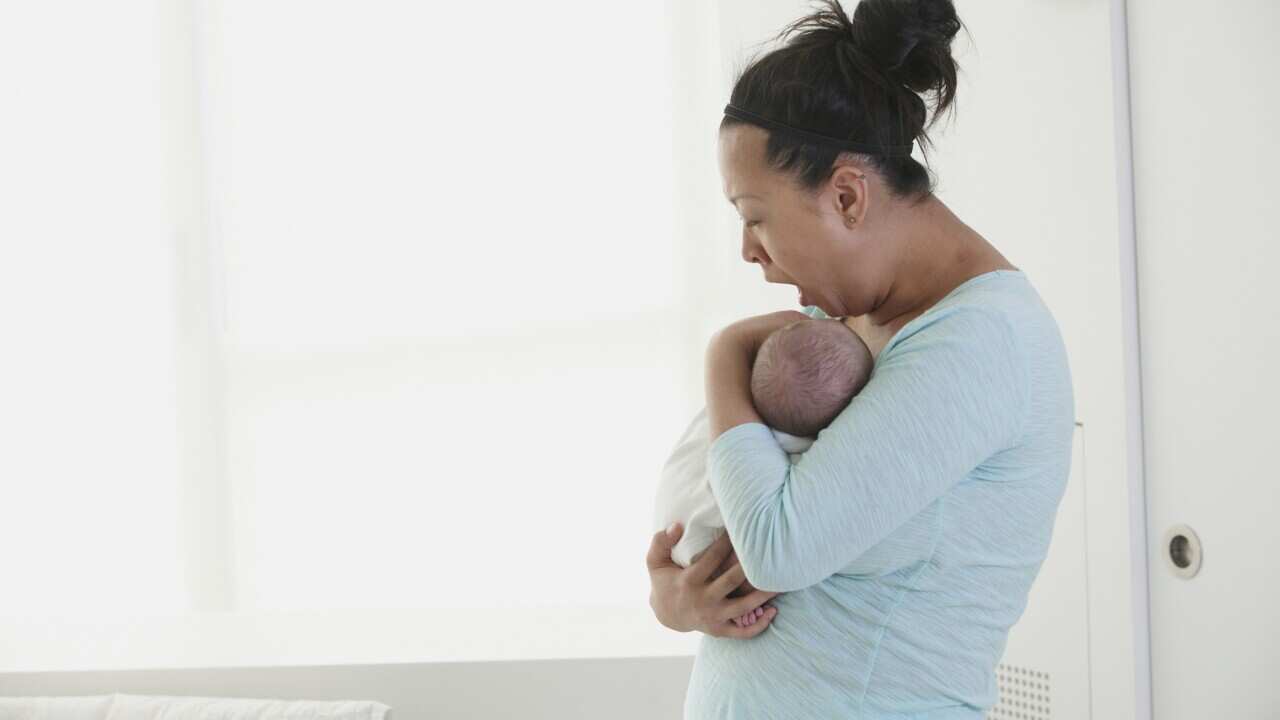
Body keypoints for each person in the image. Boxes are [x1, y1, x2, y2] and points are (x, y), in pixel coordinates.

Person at [644, 0, 1075, 717]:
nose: (748, 250)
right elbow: (719, 497)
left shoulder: (982, 342)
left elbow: (779, 546)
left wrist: (724, 353)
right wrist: (676, 598)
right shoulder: (840, 323)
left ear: (846, 195)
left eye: (755, 216)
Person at [653, 317, 874, 628]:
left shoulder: (731, 397)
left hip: (672, 519)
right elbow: (771, 552)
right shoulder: (804, 446)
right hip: (701, 548)